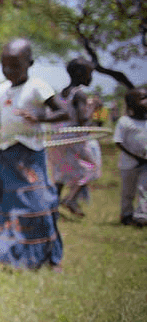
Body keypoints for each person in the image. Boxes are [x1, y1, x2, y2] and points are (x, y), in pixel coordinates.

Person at [0, 39, 69, 269]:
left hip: (29, 156)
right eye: (4, 66)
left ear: (30, 63)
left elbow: (63, 112)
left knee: (36, 205)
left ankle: (48, 257)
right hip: (5, 155)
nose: (8, 71)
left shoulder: (37, 87)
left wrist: (40, 118)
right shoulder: (1, 89)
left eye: (14, 66)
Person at [47, 58, 102, 218]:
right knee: (92, 168)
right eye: (89, 73)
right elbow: (82, 119)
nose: (91, 77)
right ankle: (70, 199)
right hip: (74, 139)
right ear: (80, 74)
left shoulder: (61, 93)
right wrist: (93, 107)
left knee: (60, 174)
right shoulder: (79, 94)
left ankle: (52, 208)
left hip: (58, 138)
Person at [114, 87, 147, 226]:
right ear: (132, 103)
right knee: (128, 191)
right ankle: (127, 214)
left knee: (144, 189)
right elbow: (118, 142)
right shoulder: (125, 121)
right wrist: (135, 156)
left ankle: (141, 216)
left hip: (145, 163)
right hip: (129, 164)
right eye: (143, 98)